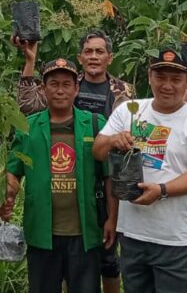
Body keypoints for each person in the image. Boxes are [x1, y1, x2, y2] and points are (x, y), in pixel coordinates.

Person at [93, 45, 187, 293]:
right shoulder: (129, 110)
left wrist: (162, 190)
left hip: (175, 238)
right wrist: (113, 140)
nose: (167, 85)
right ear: (150, 76)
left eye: (176, 79)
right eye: (160, 77)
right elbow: (98, 150)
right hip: (132, 234)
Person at [15, 31, 135, 293]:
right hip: (48, 223)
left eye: (99, 51)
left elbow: (119, 157)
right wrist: (29, 62)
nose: (60, 90)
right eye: (88, 51)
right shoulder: (40, 118)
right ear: (80, 57)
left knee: (108, 266)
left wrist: (114, 216)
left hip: (95, 206)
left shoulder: (122, 92)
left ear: (109, 57)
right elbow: (26, 108)